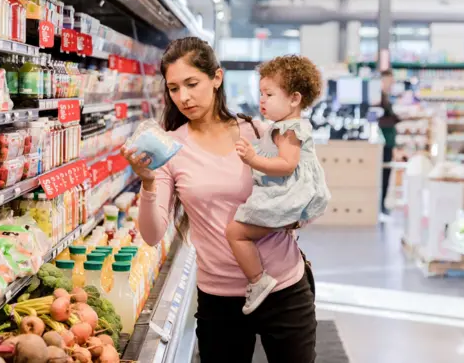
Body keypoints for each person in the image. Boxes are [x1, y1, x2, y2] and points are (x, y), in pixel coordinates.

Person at [121, 37, 318, 363]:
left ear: (216, 78)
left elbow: (302, 192)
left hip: (283, 288)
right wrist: (147, 181)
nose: (183, 97)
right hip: (220, 300)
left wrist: (296, 215)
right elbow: (153, 234)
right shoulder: (170, 148)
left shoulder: (257, 131)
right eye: (173, 88)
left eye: (192, 83)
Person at [226, 55, 330, 315]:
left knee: (236, 232)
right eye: (261, 93)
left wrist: (253, 159)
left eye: (269, 94)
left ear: (294, 99)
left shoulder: (289, 130)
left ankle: (258, 279)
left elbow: (287, 164)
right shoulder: (282, 126)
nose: (262, 100)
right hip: (290, 193)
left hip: (288, 195)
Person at [378, 69, 399, 215]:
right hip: (383, 142)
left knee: (386, 173)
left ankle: (382, 204)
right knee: (383, 174)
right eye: (390, 80)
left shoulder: (385, 97)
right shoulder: (378, 98)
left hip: (388, 141)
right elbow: (382, 120)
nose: (392, 84)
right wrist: (397, 118)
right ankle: (380, 206)